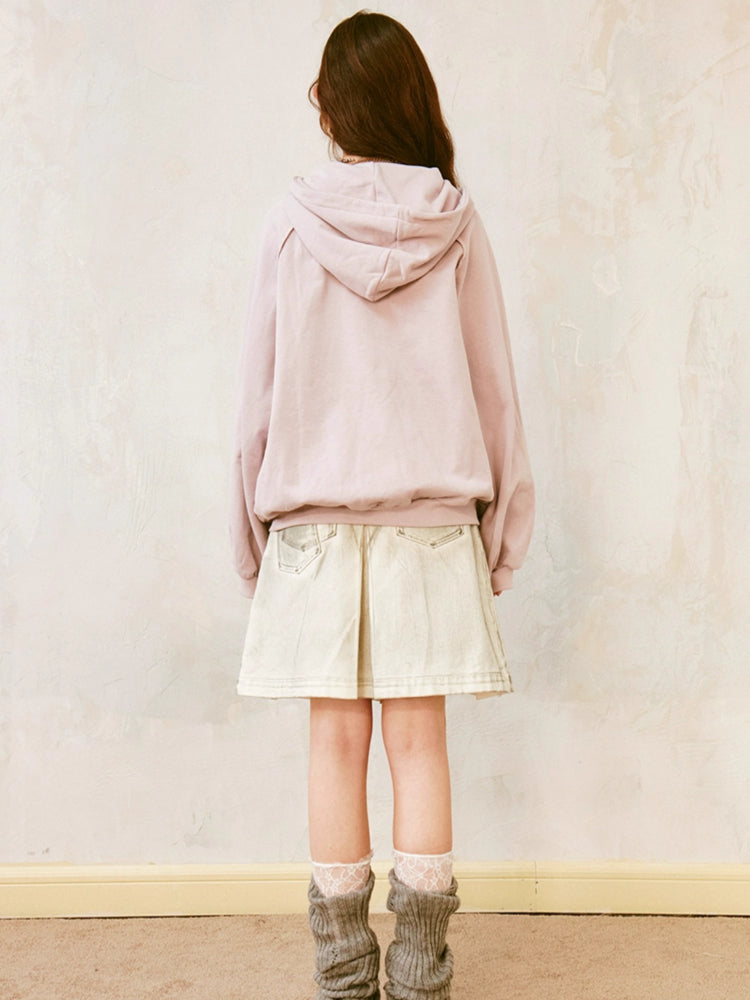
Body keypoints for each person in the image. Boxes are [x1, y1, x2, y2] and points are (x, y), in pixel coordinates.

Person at [229, 10, 534, 999]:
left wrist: (248, 535)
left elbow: (257, 392)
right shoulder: (455, 218)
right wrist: (502, 530)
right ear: (413, 102)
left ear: (329, 107)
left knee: (333, 741)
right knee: (419, 739)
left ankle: (343, 969)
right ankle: (420, 969)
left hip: (312, 524)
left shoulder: (290, 222)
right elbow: (494, 385)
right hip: (431, 523)